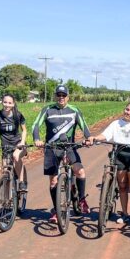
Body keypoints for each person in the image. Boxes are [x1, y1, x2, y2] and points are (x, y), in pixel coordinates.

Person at [32, 85, 91, 223]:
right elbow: (35, 125)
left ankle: (81, 199)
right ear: (55, 96)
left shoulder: (74, 110)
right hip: (52, 148)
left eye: (63, 95)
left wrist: (88, 138)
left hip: (69, 147)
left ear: (67, 97)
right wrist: (37, 139)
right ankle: (56, 210)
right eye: (58, 95)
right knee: (53, 181)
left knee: (80, 172)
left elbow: (84, 126)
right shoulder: (47, 109)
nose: (61, 98)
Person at [86, 102, 130, 228]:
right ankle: (124, 214)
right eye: (127, 109)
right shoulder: (116, 124)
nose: (128, 113)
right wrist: (95, 138)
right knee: (123, 186)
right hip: (119, 154)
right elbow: (105, 135)